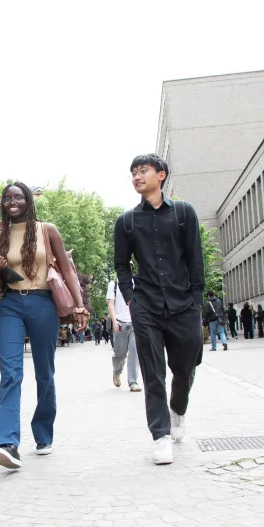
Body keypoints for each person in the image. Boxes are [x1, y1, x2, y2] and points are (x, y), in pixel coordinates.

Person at [0, 182, 88, 470]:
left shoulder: (47, 230)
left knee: (45, 373)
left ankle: (43, 433)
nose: (12, 201)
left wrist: (80, 305)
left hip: (43, 303)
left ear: (28, 201)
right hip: (11, 306)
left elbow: (66, 269)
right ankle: (6, 442)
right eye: (7, 198)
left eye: (18, 197)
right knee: (10, 372)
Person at [114, 153, 204, 466]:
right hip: (147, 307)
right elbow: (121, 266)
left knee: (185, 369)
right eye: (133, 173)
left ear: (161, 175)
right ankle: (160, 435)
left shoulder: (183, 213)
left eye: (143, 171)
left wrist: (196, 299)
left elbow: (195, 259)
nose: (137, 176)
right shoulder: (126, 222)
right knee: (153, 375)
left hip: (183, 305)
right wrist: (131, 299)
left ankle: (178, 410)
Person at [108, 275, 141, 391]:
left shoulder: (137, 283)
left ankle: (133, 382)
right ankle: (116, 372)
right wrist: (114, 321)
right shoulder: (114, 285)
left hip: (134, 322)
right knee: (120, 354)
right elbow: (111, 304)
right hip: (120, 323)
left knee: (134, 351)